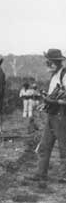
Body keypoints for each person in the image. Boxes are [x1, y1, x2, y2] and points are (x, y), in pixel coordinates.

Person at [28, 48, 66, 183]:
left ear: (55, 63)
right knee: (44, 145)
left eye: (48, 63)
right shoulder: (54, 76)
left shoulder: (64, 75)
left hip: (62, 116)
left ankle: (64, 175)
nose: (47, 65)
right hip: (52, 114)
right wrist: (46, 103)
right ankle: (40, 174)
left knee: (64, 146)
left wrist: (55, 101)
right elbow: (53, 96)